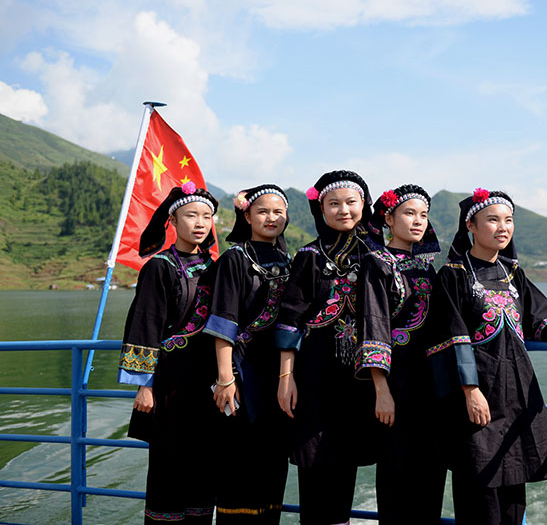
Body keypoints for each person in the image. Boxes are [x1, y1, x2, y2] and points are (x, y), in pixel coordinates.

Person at [427, 188, 547, 525]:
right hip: (477, 397)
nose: (503, 227)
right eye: (493, 220)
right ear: (471, 224)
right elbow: (450, 337)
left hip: (516, 394)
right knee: (479, 488)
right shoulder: (453, 275)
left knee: (514, 488)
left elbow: (540, 317)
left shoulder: (513, 274)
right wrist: (470, 391)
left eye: (509, 220)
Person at [275, 170, 380, 525]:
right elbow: (290, 319)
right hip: (314, 378)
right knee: (315, 463)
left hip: (361, 380)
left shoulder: (378, 255)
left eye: (351, 202)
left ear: (364, 205)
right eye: (333, 203)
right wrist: (286, 378)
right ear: (321, 208)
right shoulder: (309, 256)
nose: (343, 210)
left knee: (346, 463)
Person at [118, 182, 219, 524]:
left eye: (207, 216)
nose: (200, 223)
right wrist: (143, 384)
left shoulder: (217, 267)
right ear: (173, 221)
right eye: (192, 215)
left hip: (208, 385)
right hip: (168, 385)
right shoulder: (160, 266)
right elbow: (144, 323)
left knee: (204, 471)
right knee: (168, 470)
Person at [203, 184, 293, 523]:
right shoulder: (235, 259)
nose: (271, 218)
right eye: (263, 212)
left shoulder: (289, 260)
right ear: (247, 215)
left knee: (272, 463)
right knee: (240, 463)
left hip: (278, 376)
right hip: (242, 372)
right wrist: (225, 377)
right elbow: (223, 318)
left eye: (278, 212)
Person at [358, 184, 447, 524]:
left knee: (432, 471)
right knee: (397, 472)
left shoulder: (429, 269)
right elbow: (373, 323)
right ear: (389, 218)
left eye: (423, 215)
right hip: (396, 386)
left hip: (432, 387)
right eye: (409, 213)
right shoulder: (376, 264)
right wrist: (381, 390)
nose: (418, 221)